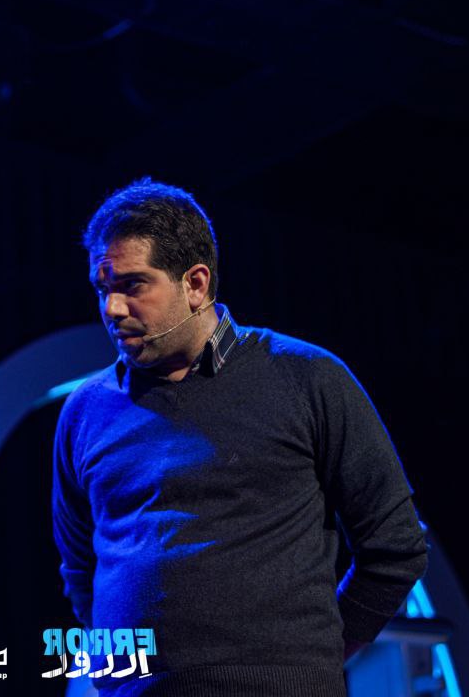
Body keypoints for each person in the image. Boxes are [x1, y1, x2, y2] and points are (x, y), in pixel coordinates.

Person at [52, 178, 428, 696]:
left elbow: (396, 547)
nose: (112, 308)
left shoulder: (306, 377)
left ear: (196, 284)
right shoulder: (85, 411)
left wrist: (314, 657)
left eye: (133, 285)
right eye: (102, 289)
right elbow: (80, 565)